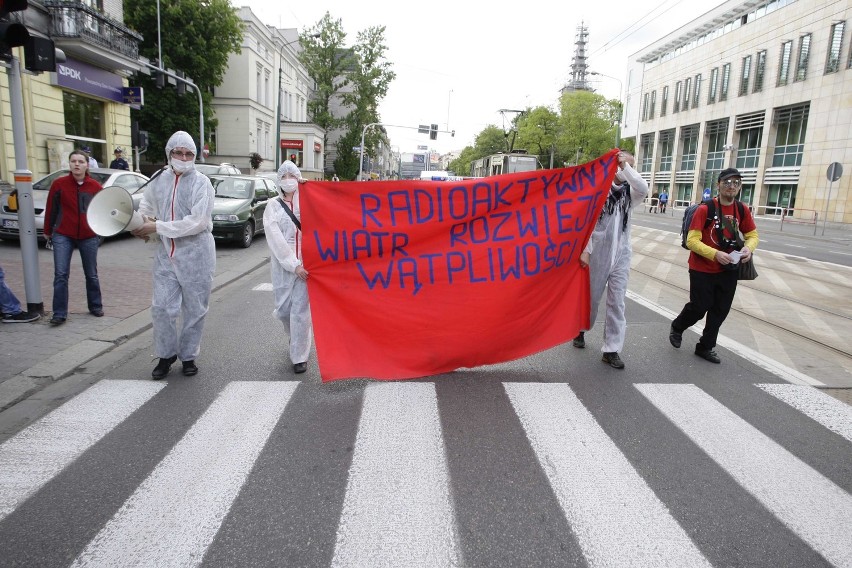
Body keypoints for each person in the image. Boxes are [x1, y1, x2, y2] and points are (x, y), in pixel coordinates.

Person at [131, 131, 215, 379]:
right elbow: (146, 206)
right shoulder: (158, 180)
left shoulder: (202, 183)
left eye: (188, 153)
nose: (183, 157)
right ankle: (165, 355)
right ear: (169, 153)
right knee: (162, 308)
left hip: (197, 255)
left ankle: (188, 356)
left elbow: (198, 222)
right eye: (178, 152)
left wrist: (157, 227)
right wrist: (142, 223)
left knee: (195, 309)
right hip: (166, 254)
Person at [669, 167, 759, 364]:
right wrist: (715, 254)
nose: (731, 186)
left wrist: (748, 249)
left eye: (736, 183)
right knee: (700, 307)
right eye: (727, 182)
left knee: (720, 310)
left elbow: (752, 235)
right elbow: (692, 241)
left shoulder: (742, 209)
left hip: (729, 270)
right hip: (702, 268)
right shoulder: (705, 209)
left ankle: (705, 346)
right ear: (718, 184)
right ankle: (678, 326)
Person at [572, 151, 649, 369]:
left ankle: (612, 349)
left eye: (631, 167)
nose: (629, 170)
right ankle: (581, 328)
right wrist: (586, 250)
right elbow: (587, 226)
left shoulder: (630, 194)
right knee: (592, 297)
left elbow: (643, 188)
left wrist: (626, 167)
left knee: (617, 302)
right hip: (598, 253)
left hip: (622, 254)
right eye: (624, 165)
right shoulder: (599, 194)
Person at [43, 150, 105, 325]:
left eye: (80, 161)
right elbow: (51, 208)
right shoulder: (59, 184)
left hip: (89, 235)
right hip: (63, 234)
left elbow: (103, 211)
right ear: (69, 164)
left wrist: (100, 232)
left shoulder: (95, 187)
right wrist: (48, 230)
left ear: (87, 165)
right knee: (61, 274)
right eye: (73, 161)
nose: (77, 164)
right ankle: (59, 313)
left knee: (91, 273)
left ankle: (95, 306)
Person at [264, 160, 312, 374]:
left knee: (300, 312)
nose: (288, 180)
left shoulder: (309, 201)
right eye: (284, 176)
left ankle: (299, 356)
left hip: (308, 262)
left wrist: (312, 189)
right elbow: (275, 238)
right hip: (284, 264)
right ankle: (295, 336)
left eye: (292, 176)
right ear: (278, 180)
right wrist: (293, 265)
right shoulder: (272, 205)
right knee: (284, 311)